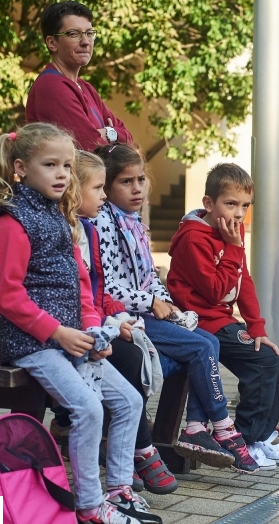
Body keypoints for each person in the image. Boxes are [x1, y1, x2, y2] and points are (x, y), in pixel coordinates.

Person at [0, 123, 152, 524]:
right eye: (50, 164)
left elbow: (82, 286)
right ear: (20, 168)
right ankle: (89, 505)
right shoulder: (12, 221)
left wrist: (94, 330)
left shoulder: (60, 217)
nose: (61, 174)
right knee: (88, 408)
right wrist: (55, 332)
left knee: (129, 401)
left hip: (70, 337)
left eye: (68, 167)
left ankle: (119, 492)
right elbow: (7, 296)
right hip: (32, 343)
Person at [91, 143, 258, 474]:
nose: (137, 188)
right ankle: (220, 427)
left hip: (144, 314)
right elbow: (108, 286)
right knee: (200, 346)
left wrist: (162, 299)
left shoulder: (132, 219)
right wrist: (151, 302)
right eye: (126, 182)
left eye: (141, 179)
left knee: (205, 342)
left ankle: (196, 427)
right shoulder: (103, 223)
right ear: (107, 187)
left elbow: (148, 274)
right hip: (122, 318)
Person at [52, 151, 177, 497]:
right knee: (128, 361)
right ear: (76, 192)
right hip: (57, 336)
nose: (105, 196)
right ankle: (131, 458)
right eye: (99, 188)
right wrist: (101, 325)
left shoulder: (88, 230)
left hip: (93, 326)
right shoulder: (64, 232)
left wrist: (113, 320)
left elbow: (98, 290)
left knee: (135, 356)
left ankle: (121, 480)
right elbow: (60, 297)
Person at [166, 163, 279, 471]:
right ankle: (243, 441)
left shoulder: (233, 231)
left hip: (220, 319)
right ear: (209, 203)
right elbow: (212, 290)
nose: (238, 213)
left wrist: (257, 326)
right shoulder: (194, 238)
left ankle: (257, 437)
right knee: (261, 363)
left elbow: (242, 279)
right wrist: (234, 249)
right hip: (198, 321)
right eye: (230, 204)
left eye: (245, 206)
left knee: (267, 357)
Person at [26, 1, 133, 151]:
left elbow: (128, 137)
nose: (85, 42)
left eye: (89, 33)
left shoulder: (86, 87)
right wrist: (111, 136)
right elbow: (91, 148)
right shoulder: (51, 87)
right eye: (74, 34)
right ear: (52, 43)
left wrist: (109, 133)